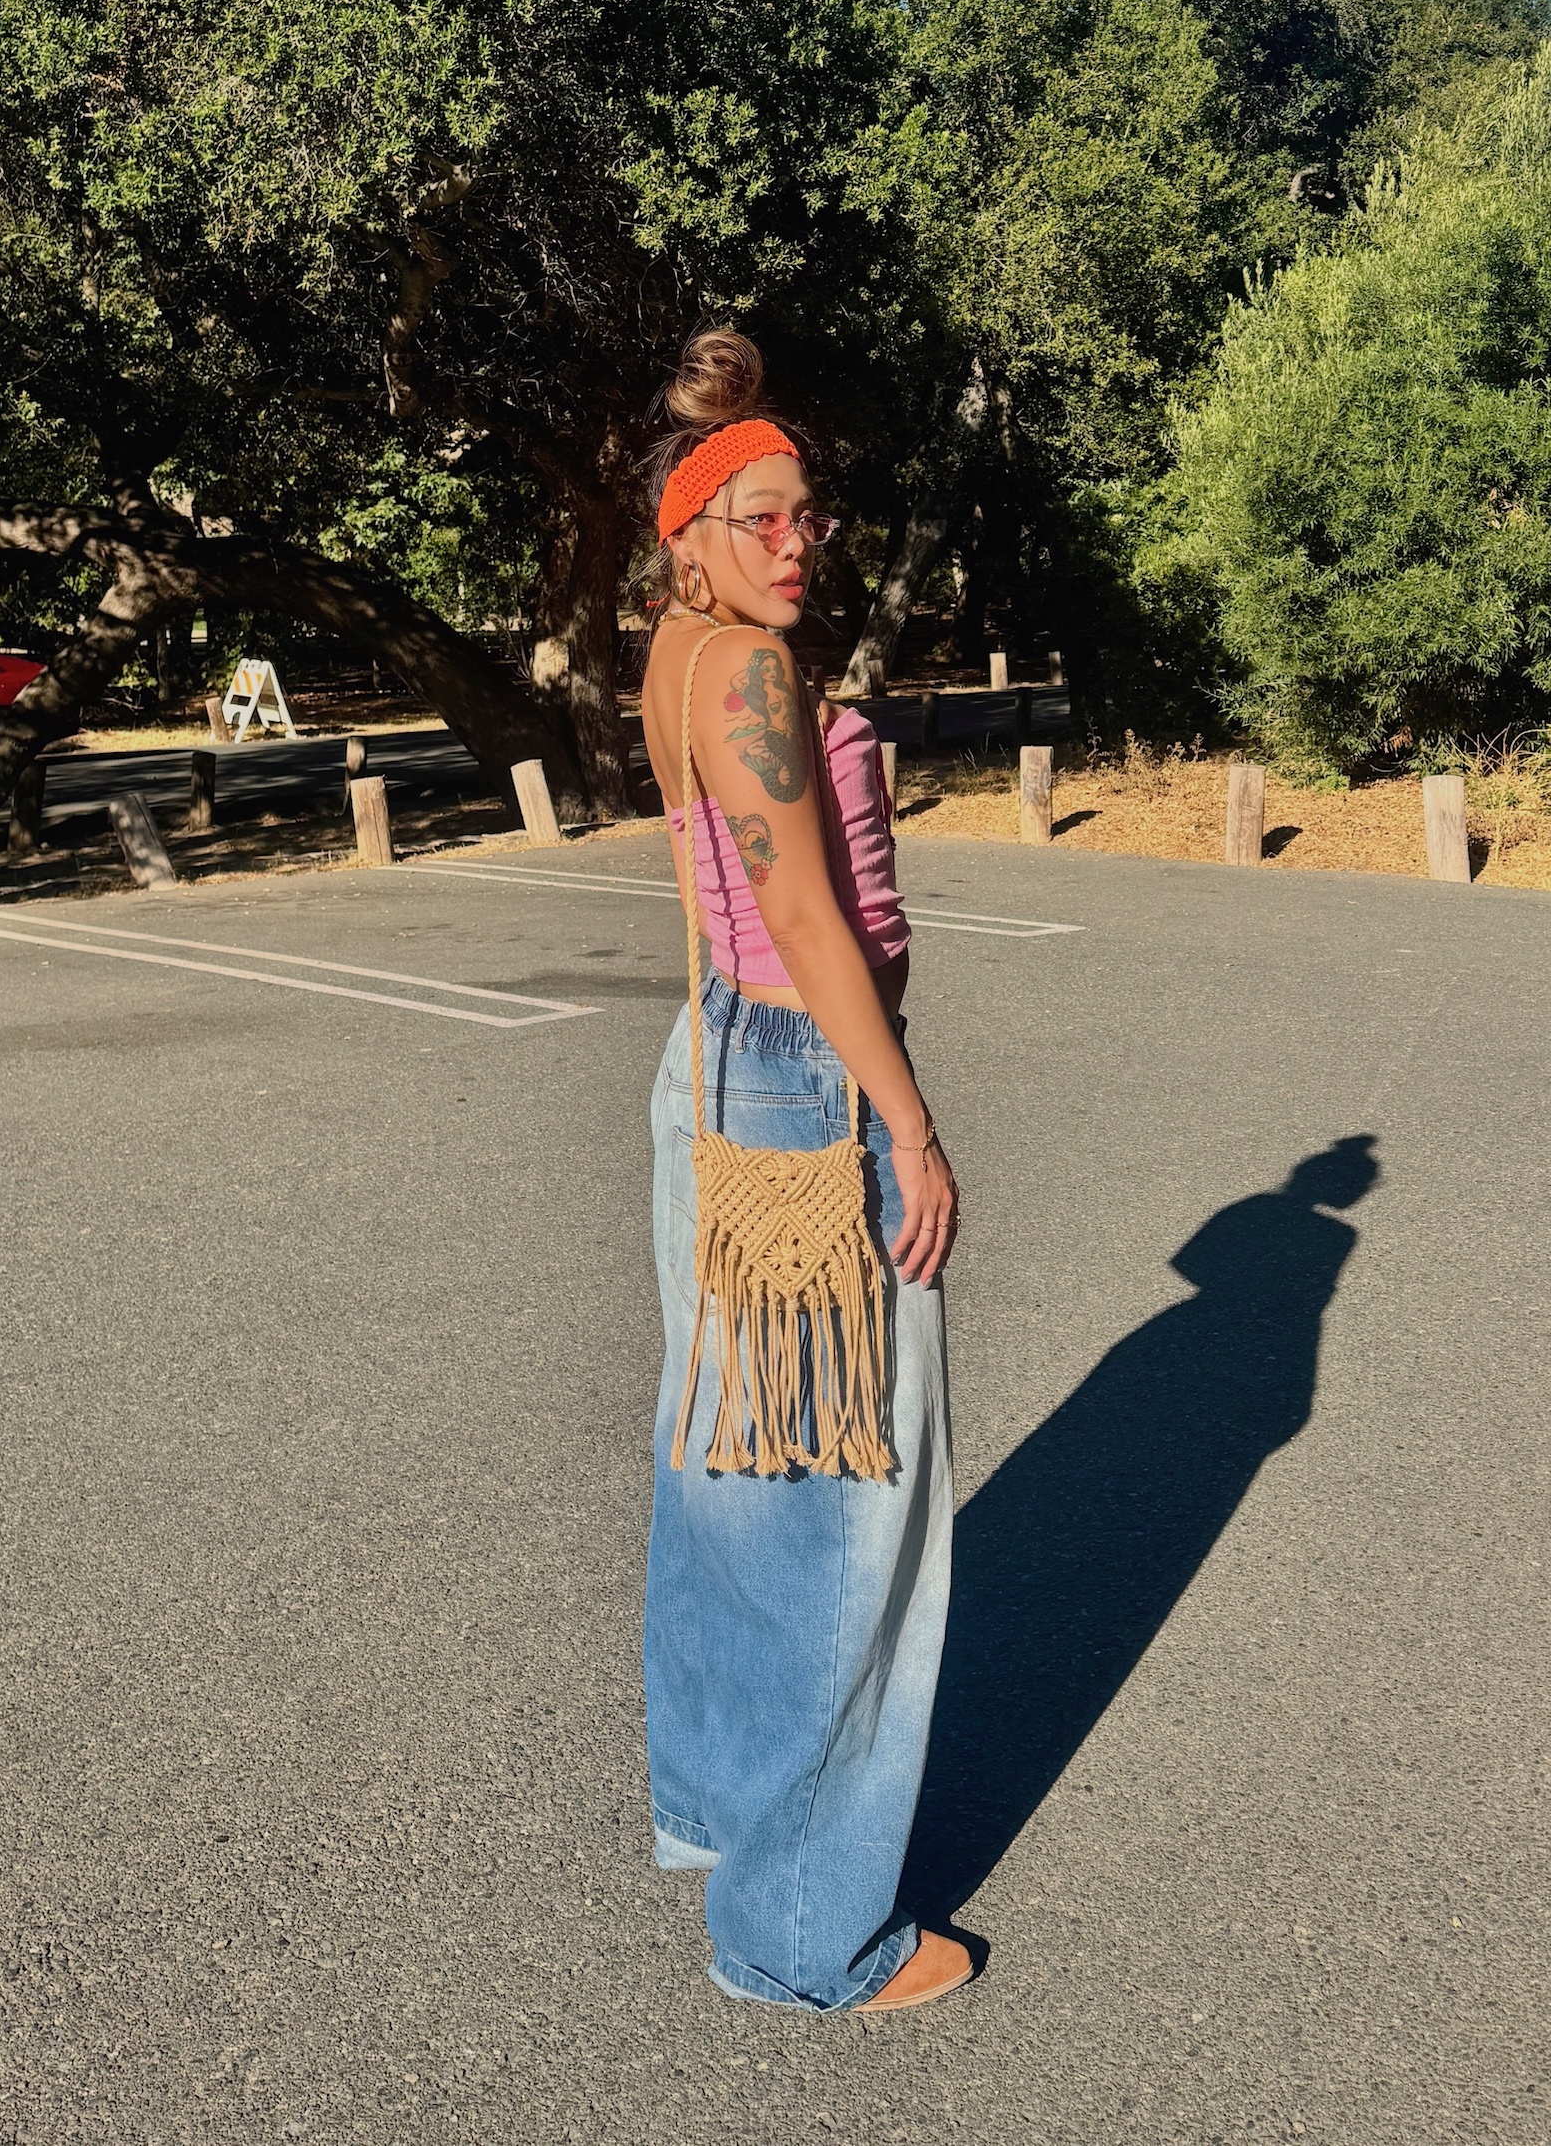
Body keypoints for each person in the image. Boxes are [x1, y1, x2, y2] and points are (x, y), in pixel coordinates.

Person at [639, 328, 969, 2013]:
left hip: (714, 1061)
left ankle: (719, 1810)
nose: (796, 543)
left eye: (808, 516)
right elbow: (801, 906)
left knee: (731, 1468)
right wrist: (906, 1118)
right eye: (759, 519)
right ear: (690, 534)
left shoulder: (677, 650)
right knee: (850, 1504)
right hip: (796, 1081)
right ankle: (800, 1930)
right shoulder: (749, 672)